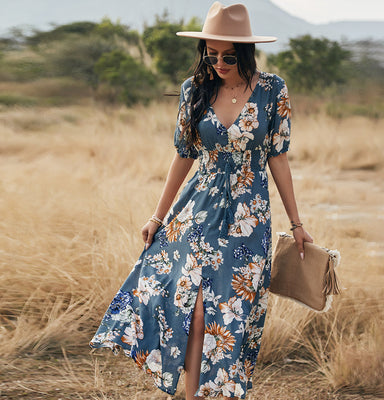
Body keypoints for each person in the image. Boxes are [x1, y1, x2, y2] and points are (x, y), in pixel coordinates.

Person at [90, 2, 313, 399]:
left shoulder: (272, 90)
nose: (219, 63)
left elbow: (278, 157)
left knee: (226, 315)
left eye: (228, 55)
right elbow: (183, 155)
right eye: (211, 55)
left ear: (245, 52)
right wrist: (157, 217)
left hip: (249, 216)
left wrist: (296, 224)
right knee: (191, 311)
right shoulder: (194, 89)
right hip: (199, 209)